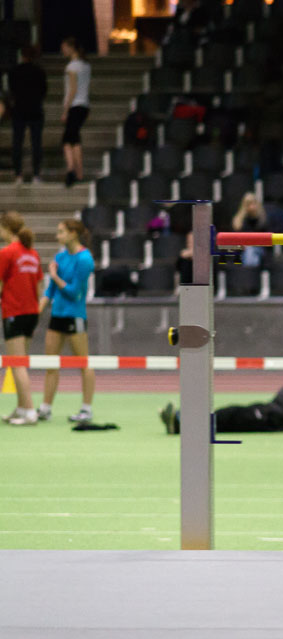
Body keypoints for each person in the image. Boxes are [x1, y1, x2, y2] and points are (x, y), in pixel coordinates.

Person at [159, 327, 283, 434]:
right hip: (273, 410)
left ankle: (182, 424)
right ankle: (183, 423)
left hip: (277, 418)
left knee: (232, 417)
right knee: (232, 413)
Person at [37, 219, 96, 423]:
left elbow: (73, 292)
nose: (57, 236)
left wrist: (53, 275)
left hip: (75, 316)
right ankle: (45, 408)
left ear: (73, 233)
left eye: (61, 232)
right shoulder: (60, 257)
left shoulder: (85, 259)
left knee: (83, 363)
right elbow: (50, 290)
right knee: (50, 363)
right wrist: (37, 310)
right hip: (57, 317)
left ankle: (86, 409)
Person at [0, 212, 43, 425]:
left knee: (17, 364)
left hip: (14, 312)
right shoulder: (32, 253)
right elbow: (38, 286)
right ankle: (20, 407)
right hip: (31, 313)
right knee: (21, 362)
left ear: (6, 228)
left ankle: (29, 411)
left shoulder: (7, 252)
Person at [9, 45, 47, 185]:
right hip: (35, 110)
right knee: (36, 143)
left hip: (19, 110)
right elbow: (43, 91)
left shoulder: (15, 71)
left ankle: (18, 174)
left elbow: (12, 90)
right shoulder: (39, 72)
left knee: (17, 143)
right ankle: (36, 173)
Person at [60, 37, 92, 187]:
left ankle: (71, 170)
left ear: (71, 48)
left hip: (75, 105)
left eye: (64, 47)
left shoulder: (72, 67)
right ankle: (79, 173)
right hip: (84, 105)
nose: (62, 50)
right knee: (74, 139)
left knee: (67, 140)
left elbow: (72, 90)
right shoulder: (86, 65)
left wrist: (65, 110)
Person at [232, 192, 268, 267]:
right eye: (248, 204)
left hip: (259, 249)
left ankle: (249, 274)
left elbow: (266, 240)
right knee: (249, 251)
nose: (251, 207)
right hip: (242, 250)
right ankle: (251, 274)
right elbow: (235, 240)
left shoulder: (262, 219)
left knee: (251, 251)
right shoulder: (239, 221)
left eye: (253, 203)